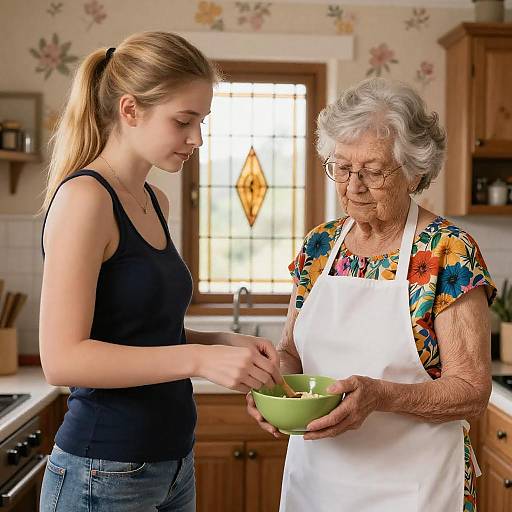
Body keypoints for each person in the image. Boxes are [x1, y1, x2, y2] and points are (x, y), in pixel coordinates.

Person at [39, 31, 281, 512]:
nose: (197, 138)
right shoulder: (86, 200)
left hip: (172, 465)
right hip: (103, 470)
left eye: (202, 121)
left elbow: (141, 332)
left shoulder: (154, 199)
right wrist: (197, 361)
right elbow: (62, 360)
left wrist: (217, 342)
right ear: (130, 111)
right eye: (183, 121)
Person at [247, 77, 496, 512]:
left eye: (373, 171)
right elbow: (292, 353)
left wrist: (381, 396)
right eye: (341, 168)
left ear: (415, 171)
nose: (353, 186)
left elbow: (472, 391)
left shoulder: (447, 252)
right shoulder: (319, 247)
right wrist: (270, 385)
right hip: (318, 483)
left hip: (417, 487)